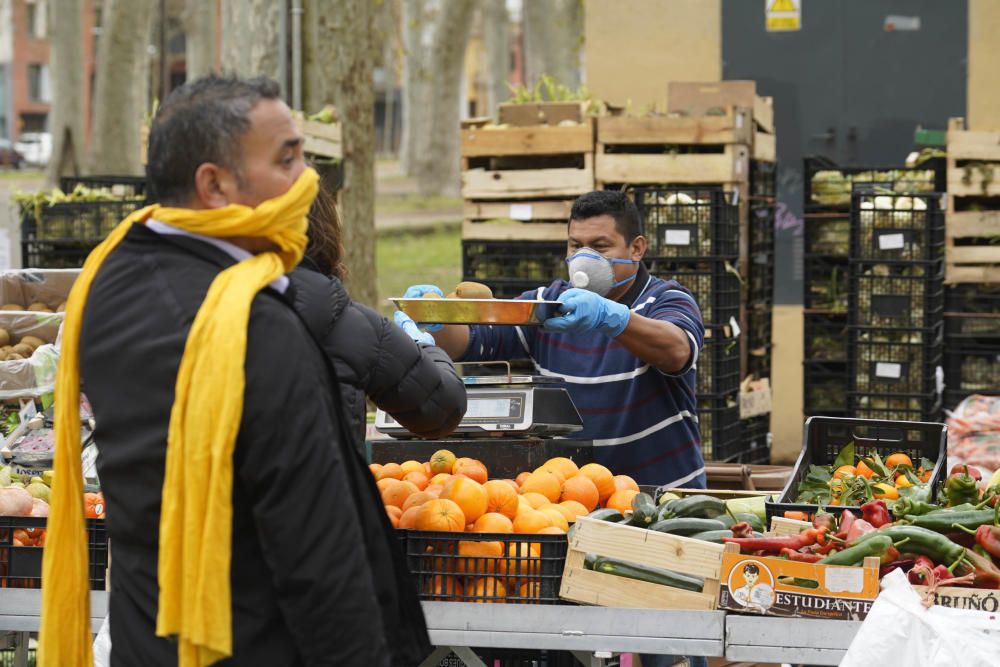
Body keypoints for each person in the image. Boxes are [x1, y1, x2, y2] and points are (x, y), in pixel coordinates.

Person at [43, 75, 430, 666]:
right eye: (287, 159)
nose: (308, 180)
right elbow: (317, 554)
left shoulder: (109, 280)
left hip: (148, 639)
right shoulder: (250, 325)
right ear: (214, 184)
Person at [406, 190, 707, 490]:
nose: (585, 258)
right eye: (576, 246)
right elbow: (473, 342)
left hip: (662, 500)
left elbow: (677, 350)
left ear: (636, 248)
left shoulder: (666, 299)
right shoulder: (548, 303)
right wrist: (437, 319)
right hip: (574, 499)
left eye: (600, 247)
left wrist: (614, 318)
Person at [292, 188, 467, 445]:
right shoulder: (350, 326)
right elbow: (442, 408)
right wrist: (424, 347)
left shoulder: (217, 299)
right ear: (328, 236)